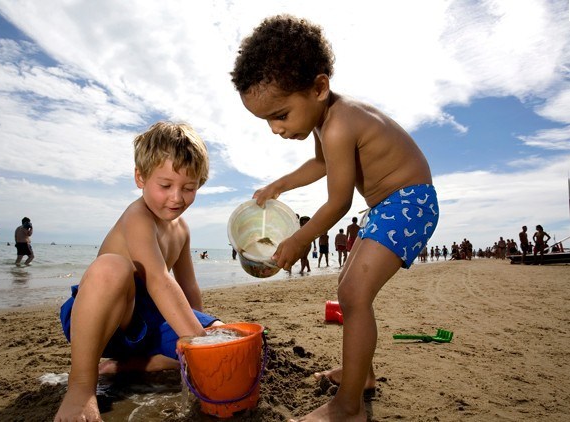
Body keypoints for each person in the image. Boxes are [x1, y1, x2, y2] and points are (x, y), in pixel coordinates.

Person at [231, 15, 438, 421]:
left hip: (409, 204)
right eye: (267, 121)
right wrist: (281, 185)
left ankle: (348, 407)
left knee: (355, 296)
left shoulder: (341, 124)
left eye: (281, 114)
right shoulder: (327, 120)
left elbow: (339, 202)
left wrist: (299, 239)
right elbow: (322, 164)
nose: (275, 128)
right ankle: (362, 376)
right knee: (347, 288)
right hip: (390, 205)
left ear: (319, 87)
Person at [55, 122, 223, 421]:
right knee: (112, 266)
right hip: (102, 320)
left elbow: (188, 287)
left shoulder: (182, 229)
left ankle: (132, 365)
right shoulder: (138, 216)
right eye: (165, 185)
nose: (177, 197)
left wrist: (202, 336)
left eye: (189, 187)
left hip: (148, 320)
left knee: (220, 331)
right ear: (140, 178)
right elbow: (159, 280)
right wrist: (197, 346)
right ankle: (81, 386)